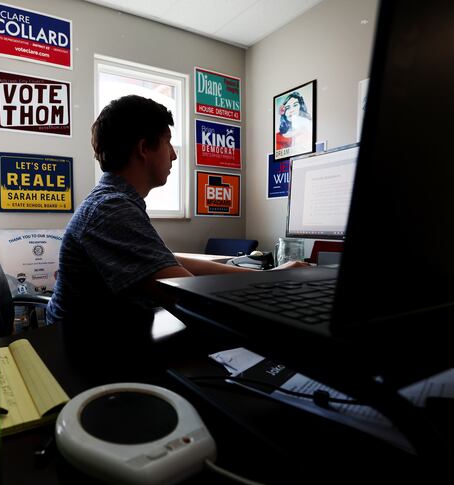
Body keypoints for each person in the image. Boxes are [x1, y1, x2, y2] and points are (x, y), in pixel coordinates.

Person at [46, 95, 307, 377]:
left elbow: (167, 262)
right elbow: (188, 296)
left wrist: (268, 277)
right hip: (87, 357)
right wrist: (277, 294)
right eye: (168, 142)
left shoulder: (116, 201)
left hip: (107, 339)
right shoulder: (111, 209)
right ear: (144, 148)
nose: (174, 154)